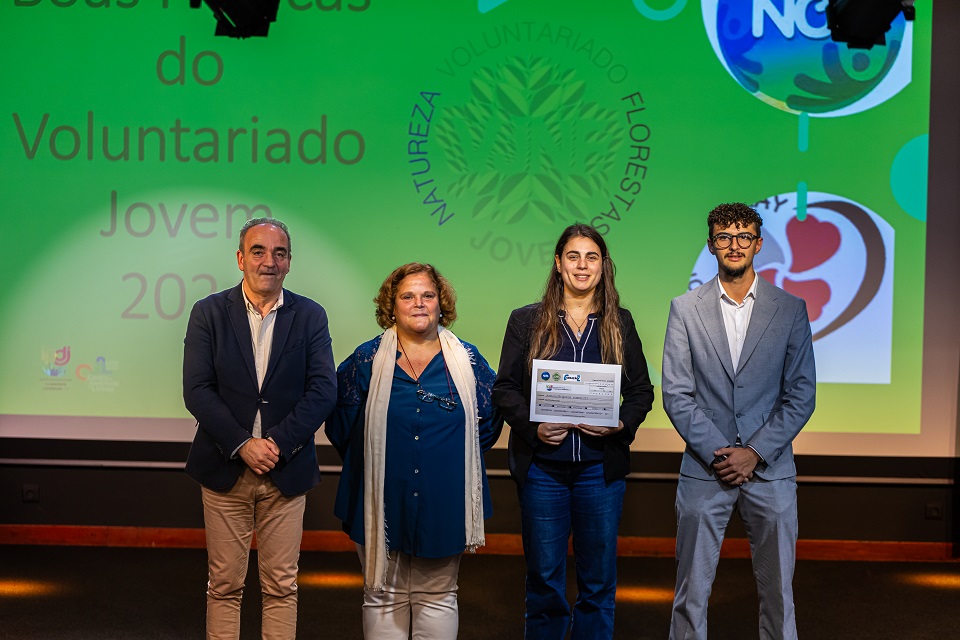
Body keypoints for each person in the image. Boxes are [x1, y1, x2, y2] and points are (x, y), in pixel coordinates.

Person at [492, 223, 655, 639]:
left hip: (600, 471)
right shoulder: (526, 321)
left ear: (604, 266)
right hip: (543, 469)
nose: (582, 266)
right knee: (544, 578)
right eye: (573, 256)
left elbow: (640, 391)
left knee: (598, 581)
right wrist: (533, 427)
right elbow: (505, 388)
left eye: (592, 257)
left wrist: (622, 424)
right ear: (558, 264)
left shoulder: (620, 322)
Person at [662, 203, 817, 640]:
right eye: (724, 237)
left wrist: (753, 453)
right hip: (703, 469)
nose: (735, 245)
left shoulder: (790, 309)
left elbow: (801, 393)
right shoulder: (684, 309)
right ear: (711, 245)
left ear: (758, 243)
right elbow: (676, 392)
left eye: (743, 236)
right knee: (691, 594)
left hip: (770, 472)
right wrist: (723, 455)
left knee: (779, 595)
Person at [326, 262, 503, 639]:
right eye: (407, 296)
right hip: (379, 499)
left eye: (428, 295)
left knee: (437, 596)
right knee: (381, 595)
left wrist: (449, 459)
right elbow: (342, 426)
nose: (418, 303)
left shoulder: (468, 361)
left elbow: (486, 426)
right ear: (392, 306)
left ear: (442, 304)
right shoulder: (366, 359)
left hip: (446, 501)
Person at [183, 217, 336, 640]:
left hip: (285, 471)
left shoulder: (310, 315)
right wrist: (242, 444)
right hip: (224, 468)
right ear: (239, 259)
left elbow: (323, 391)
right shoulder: (208, 313)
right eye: (258, 251)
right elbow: (197, 390)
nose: (269, 261)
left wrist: (276, 444)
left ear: (289, 262)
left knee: (282, 587)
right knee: (225, 586)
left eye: (279, 253)